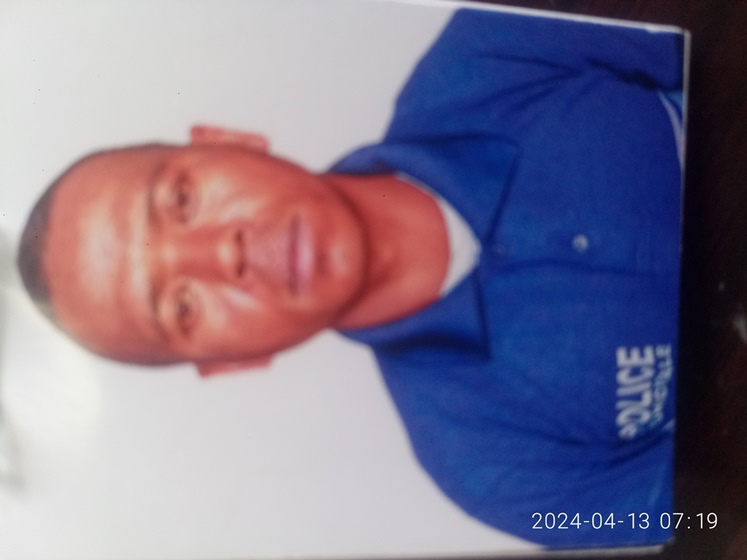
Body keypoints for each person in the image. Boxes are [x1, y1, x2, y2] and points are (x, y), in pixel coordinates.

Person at [17, 8, 685, 547]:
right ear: (233, 362)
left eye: (181, 201)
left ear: (227, 139)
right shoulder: (488, 471)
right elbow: (708, 520)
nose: (224, 255)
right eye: (183, 307)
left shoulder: (495, 42)